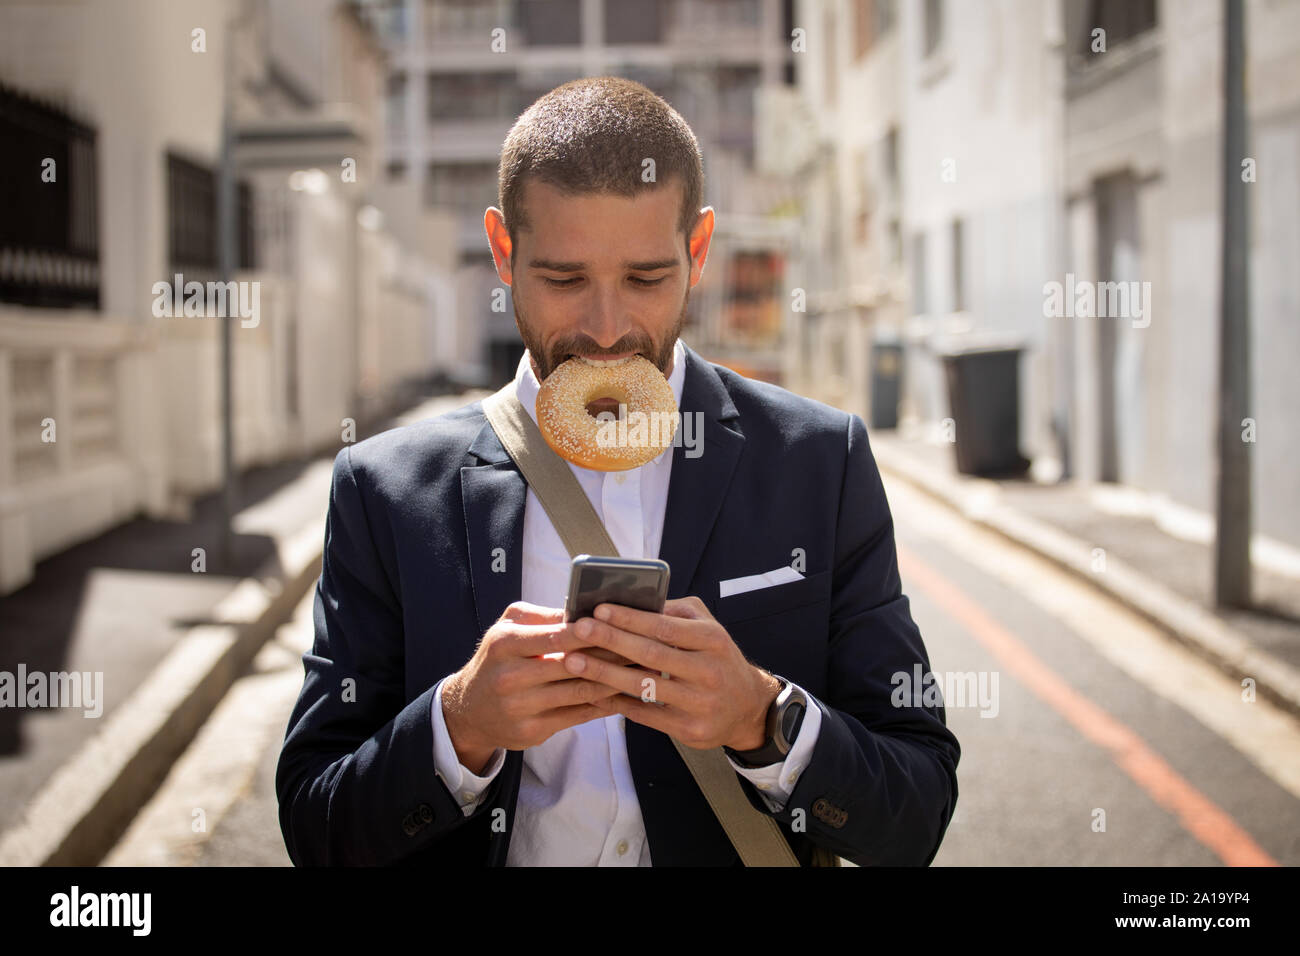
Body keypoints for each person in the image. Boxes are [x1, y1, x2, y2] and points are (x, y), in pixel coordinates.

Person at [276, 76, 959, 866]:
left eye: (645, 278)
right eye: (564, 280)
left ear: (696, 251)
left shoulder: (816, 461)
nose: (605, 332)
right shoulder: (385, 490)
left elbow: (916, 811)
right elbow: (315, 827)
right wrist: (459, 724)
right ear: (504, 252)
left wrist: (761, 717)